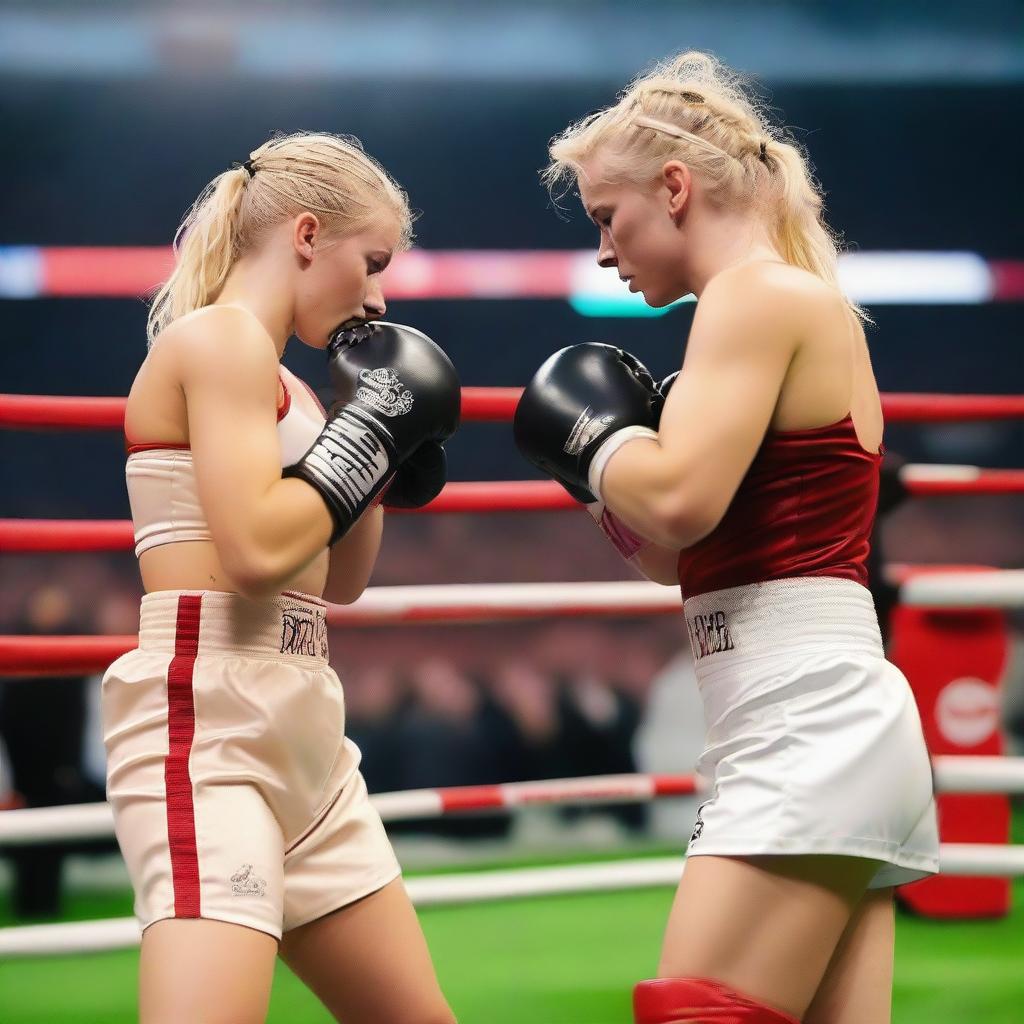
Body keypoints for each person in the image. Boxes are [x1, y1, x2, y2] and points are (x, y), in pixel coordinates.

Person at [515, 52, 938, 1024]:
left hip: (805, 723)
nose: (604, 252)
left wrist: (591, 434)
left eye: (605, 219)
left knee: (692, 1011)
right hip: (803, 714)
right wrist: (594, 474)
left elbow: (675, 503)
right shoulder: (772, 304)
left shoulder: (755, 297)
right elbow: (672, 552)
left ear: (674, 188)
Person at [102, 132, 459, 1024]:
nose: (377, 297)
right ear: (306, 235)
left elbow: (341, 582)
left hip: (306, 725)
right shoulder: (218, 339)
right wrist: (370, 436)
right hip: (210, 727)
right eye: (371, 262)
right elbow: (259, 555)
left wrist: (369, 446)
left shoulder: (297, 393)